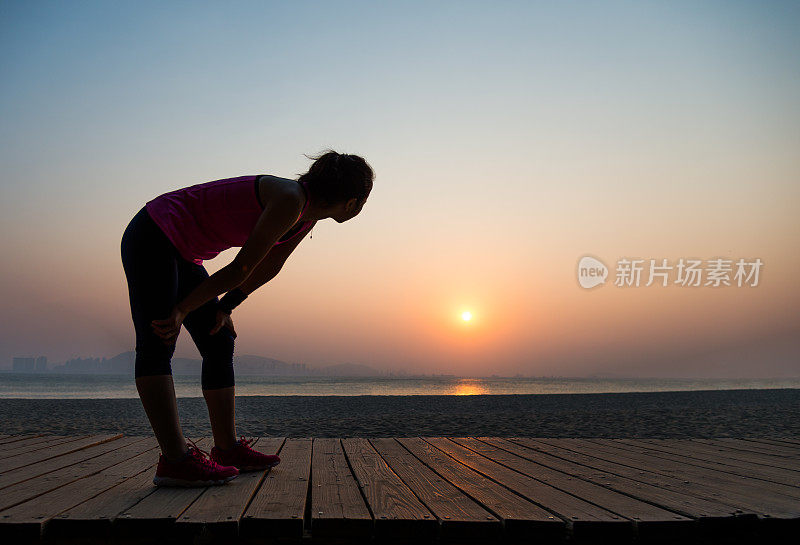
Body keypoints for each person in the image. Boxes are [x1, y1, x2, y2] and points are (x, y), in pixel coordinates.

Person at [120, 150, 374, 486]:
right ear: (352, 203)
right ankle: (175, 460)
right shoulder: (289, 199)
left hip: (183, 250)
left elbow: (270, 265)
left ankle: (226, 449)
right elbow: (242, 266)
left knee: (218, 338)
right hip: (154, 232)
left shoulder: (305, 213)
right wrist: (183, 309)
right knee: (159, 339)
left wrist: (225, 308)